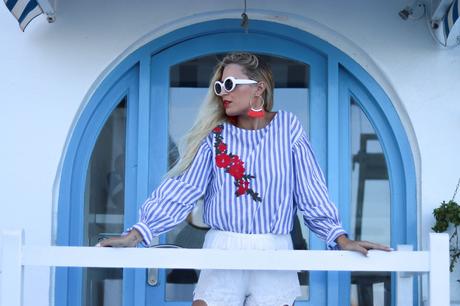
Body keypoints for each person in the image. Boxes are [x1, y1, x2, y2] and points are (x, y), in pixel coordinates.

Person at [99, 52, 391, 306]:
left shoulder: (288, 128)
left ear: (258, 89)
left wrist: (339, 239)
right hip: (223, 246)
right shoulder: (215, 136)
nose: (222, 93)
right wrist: (136, 235)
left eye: (229, 85)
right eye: (218, 86)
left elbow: (311, 192)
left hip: (275, 248)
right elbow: (182, 190)